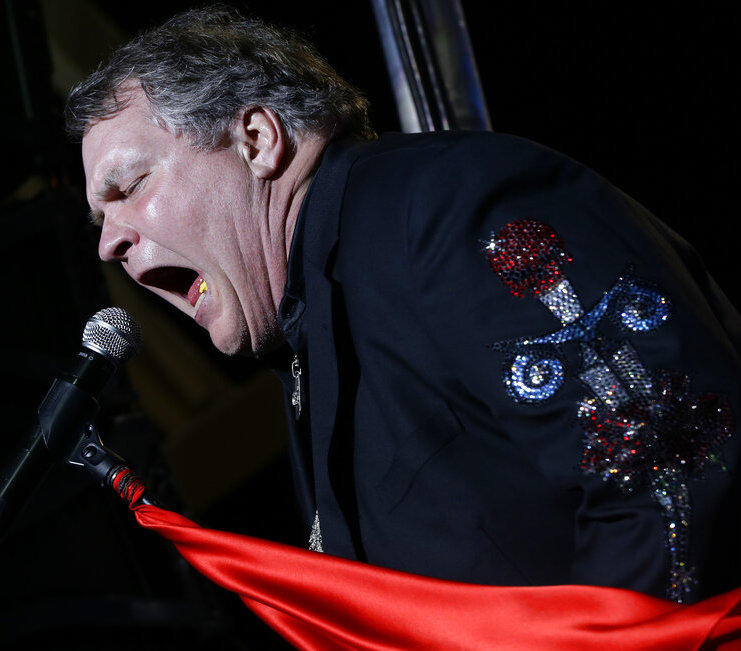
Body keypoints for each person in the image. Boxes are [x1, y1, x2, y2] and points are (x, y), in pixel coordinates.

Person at [65, 6, 740, 604]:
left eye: (126, 186)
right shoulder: (310, 325)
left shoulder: (441, 203)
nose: (108, 243)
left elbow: (671, 458)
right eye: (99, 218)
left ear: (256, 140)